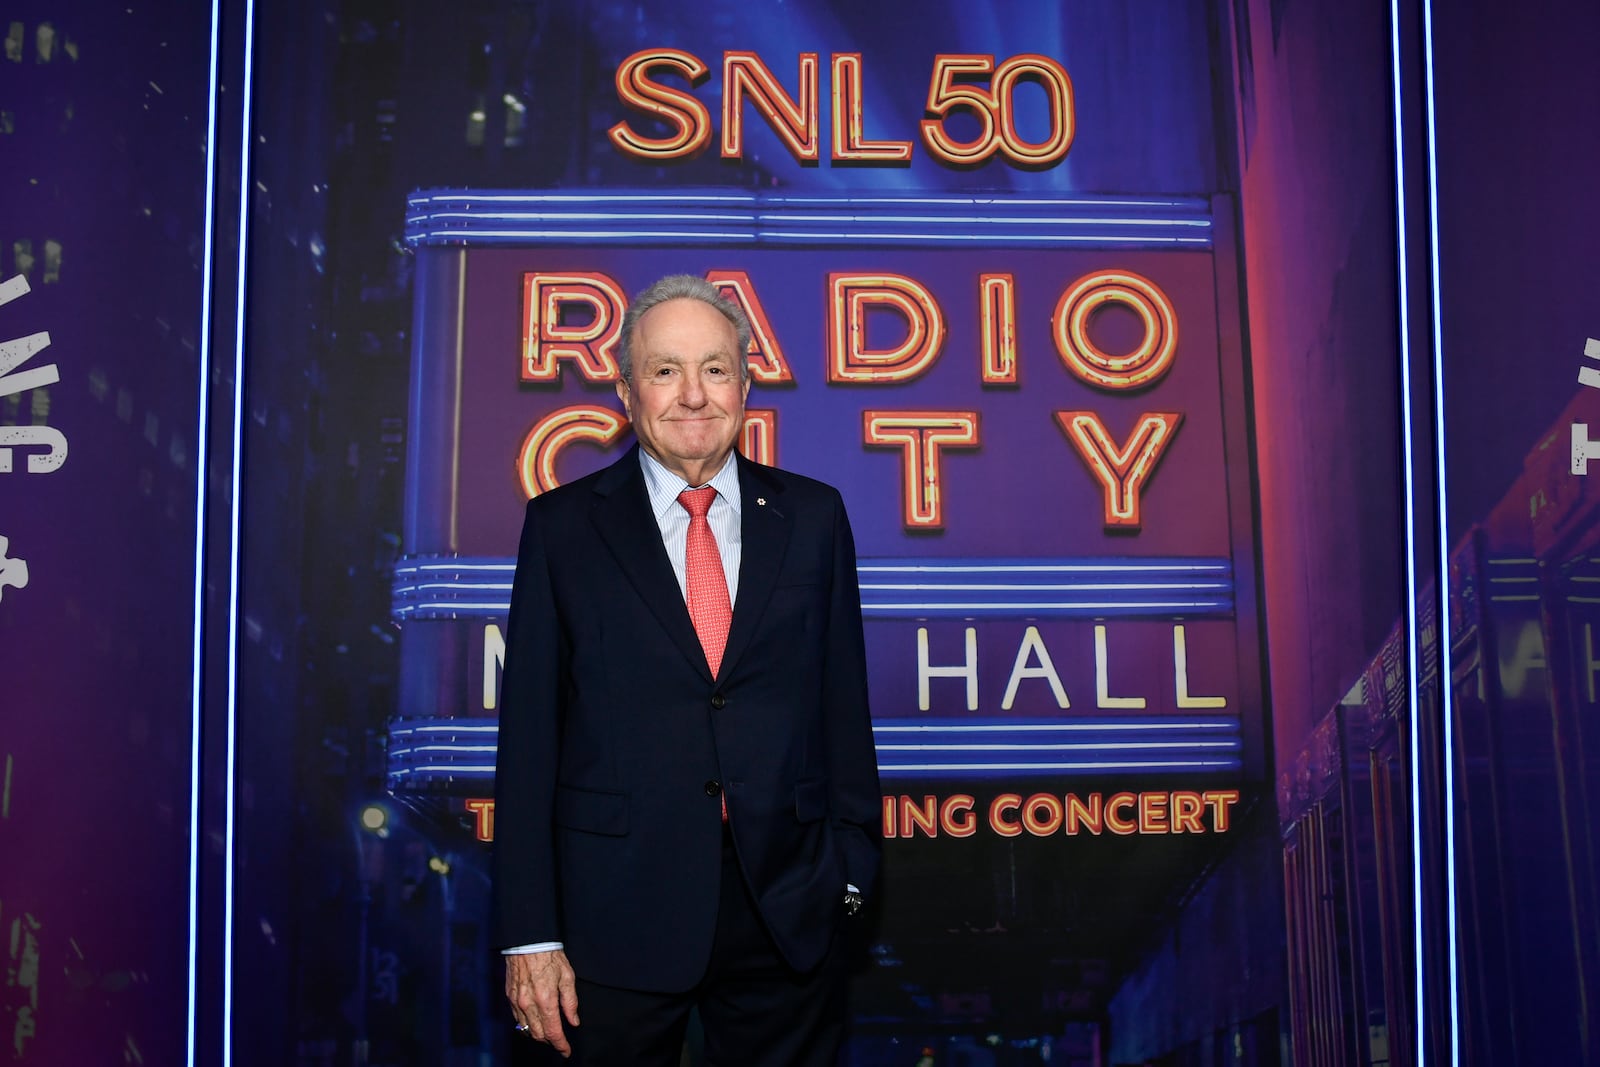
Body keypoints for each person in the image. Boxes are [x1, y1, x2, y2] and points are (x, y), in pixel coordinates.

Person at [492, 273, 882, 1065]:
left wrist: (850, 879)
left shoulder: (814, 518)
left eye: (715, 367)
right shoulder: (563, 528)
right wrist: (531, 931)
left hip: (787, 915)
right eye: (666, 369)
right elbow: (528, 740)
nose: (693, 394)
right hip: (610, 918)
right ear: (626, 388)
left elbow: (844, 714)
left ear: (745, 381)